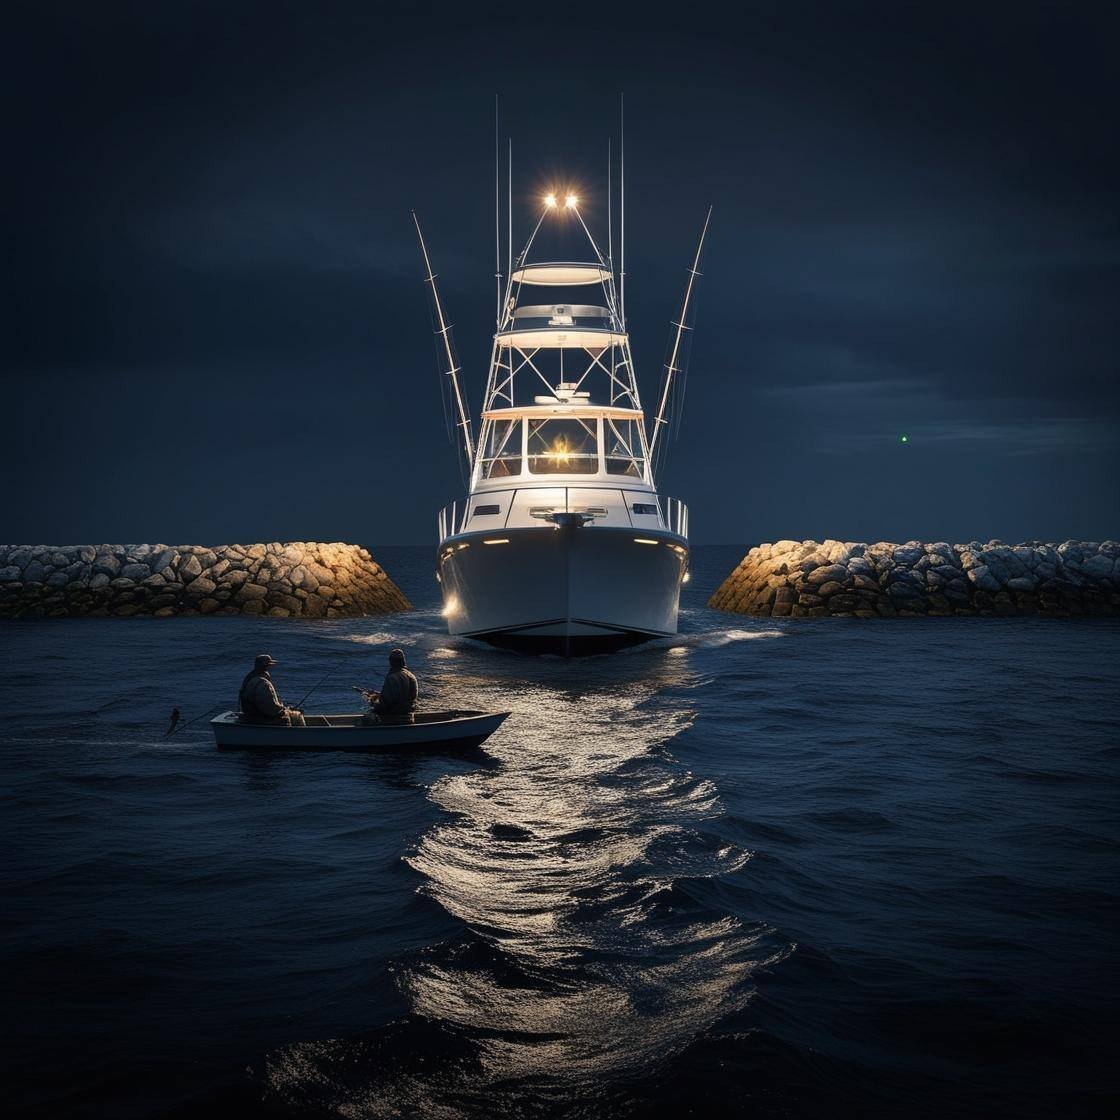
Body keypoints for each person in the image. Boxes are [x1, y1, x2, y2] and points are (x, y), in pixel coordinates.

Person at [238, 653, 306, 726]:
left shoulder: (250, 679)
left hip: (251, 716)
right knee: (290, 719)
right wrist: (284, 710)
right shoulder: (262, 683)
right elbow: (269, 709)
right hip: (259, 719)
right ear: (266, 666)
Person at [363, 648, 418, 724]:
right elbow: (402, 697)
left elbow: (386, 704)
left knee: (366, 718)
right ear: (403, 661)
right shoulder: (412, 676)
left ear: (391, 661)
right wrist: (378, 695)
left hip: (393, 719)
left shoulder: (393, 677)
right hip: (409, 718)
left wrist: (373, 702)